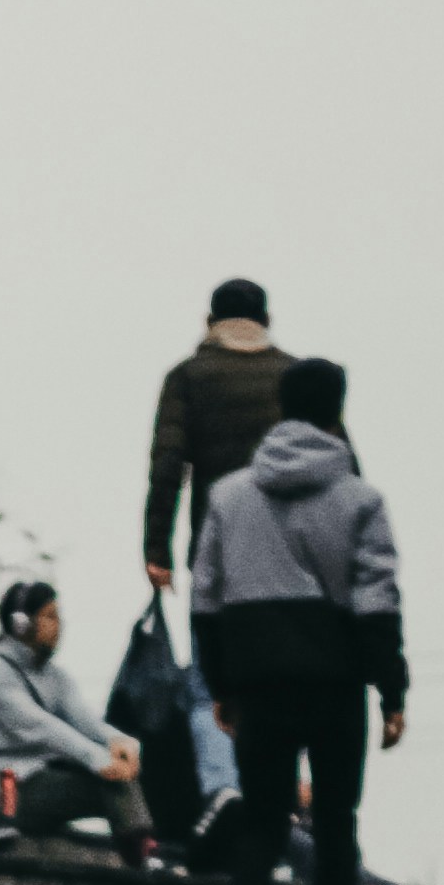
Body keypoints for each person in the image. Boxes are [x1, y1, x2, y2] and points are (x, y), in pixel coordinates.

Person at [189, 363, 406, 885]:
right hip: (336, 683)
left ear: (279, 409)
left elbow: (206, 597)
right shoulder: (361, 499)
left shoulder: (229, 495)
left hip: (258, 682)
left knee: (261, 819)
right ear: (338, 413)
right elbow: (376, 600)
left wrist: (222, 683)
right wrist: (392, 689)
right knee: (337, 823)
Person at [145, 281, 296, 823]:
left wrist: (155, 547)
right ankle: (276, 802)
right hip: (290, 566)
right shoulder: (293, 377)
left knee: (212, 681)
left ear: (209, 320)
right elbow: (341, 465)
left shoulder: (188, 376)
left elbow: (168, 465)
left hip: (218, 555)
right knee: (280, 685)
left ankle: (224, 792)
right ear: (268, 318)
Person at [0, 583, 156, 864]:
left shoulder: (55, 676)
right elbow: (38, 726)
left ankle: (144, 852)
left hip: (39, 779)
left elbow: (84, 720)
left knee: (121, 776)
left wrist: (120, 743)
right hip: (5, 793)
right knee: (108, 783)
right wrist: (98, 761)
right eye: (50, 617)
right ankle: (142, 859)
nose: (59, 626)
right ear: (21, 624)